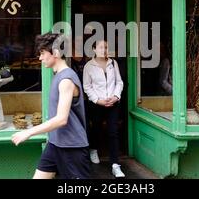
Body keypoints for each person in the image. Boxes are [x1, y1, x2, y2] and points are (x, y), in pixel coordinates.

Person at [11, 33, 90, 179]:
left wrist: (28, 132)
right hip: (55, 143)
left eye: (42, 53)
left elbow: (61, 119)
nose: (40, 58)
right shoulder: (58, 76)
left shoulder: (66, 80)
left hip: (72, 148)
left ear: (56, 53)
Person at [83, 40, 125, 178]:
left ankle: (115, 165)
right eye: (100, 47)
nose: (104, 50)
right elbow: (87, 86)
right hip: (96, 104)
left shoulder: (113, 63)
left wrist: (116, 96)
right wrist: (98, 100)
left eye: (106, 47)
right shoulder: (89, 66)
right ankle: (93, 149)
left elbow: (119, 82)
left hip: (112, 103)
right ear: (94, 49)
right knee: (96, 128)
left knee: (113, 132)